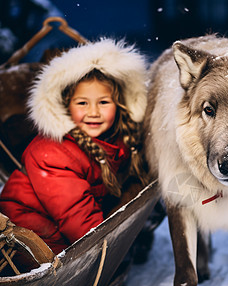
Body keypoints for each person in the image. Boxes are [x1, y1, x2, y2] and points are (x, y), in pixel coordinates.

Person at [0, 38, 148, 254]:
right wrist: (103, 248)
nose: (93, 112)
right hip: (26, 231)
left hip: (61, 219)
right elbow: (78, 217)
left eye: (103, 102)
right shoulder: (52, 153)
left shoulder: (115, 140)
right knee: (61, 253)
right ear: (66, 106)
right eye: (82, 103)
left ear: (119, 104)